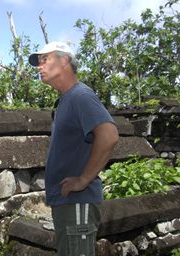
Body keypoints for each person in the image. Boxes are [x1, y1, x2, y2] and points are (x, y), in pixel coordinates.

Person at [28, 42, 119, 256]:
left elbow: (109, 136)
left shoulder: (81, 96)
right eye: (38, 62)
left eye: (45, 59)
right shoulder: (66, 101)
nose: (39, 67)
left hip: (78, 201)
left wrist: (83, 180)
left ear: (65, 60)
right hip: (69, 202)